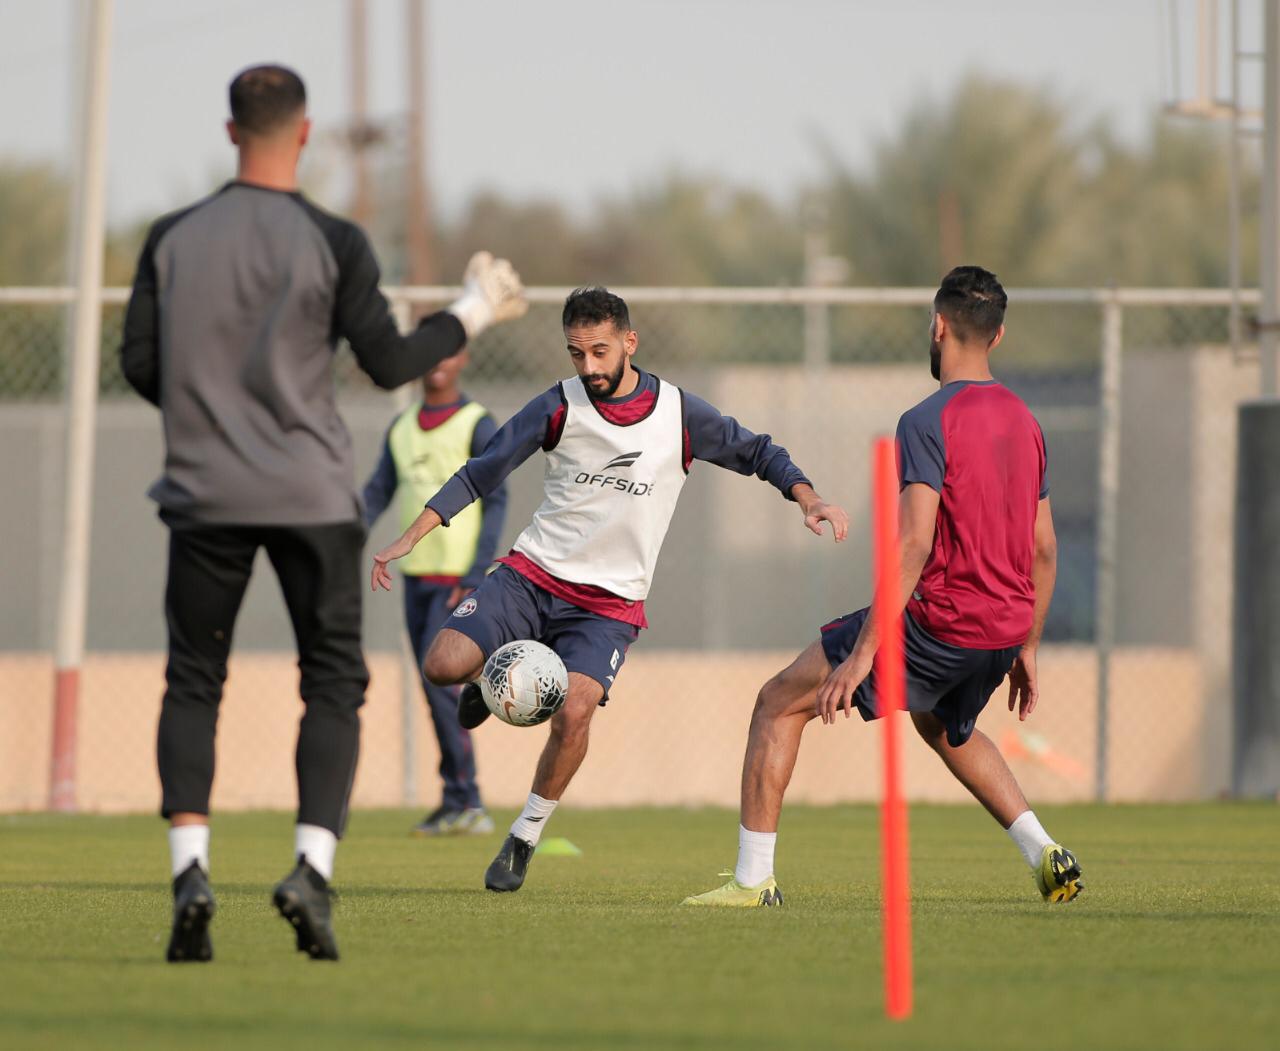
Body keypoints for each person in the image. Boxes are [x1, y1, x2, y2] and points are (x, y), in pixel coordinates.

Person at [119, 64, 526, 962]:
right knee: (332, 680)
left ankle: (192, 871)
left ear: (231, 132)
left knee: (194, 679)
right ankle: (310, 868)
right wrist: (469, 310)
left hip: (204, 493)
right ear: (303, 136)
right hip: (311, 496)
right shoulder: (333, 239)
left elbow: (142, 365)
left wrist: (209, 399)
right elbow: (389, 361)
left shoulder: (171, 236)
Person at [371, 286, 849, 894]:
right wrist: (410, 537)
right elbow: (483, 469)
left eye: (599, 351)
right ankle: (489, 683)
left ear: (629, 342)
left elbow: (757, 451)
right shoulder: (558, 406)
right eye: (576, 354)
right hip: (530, 575)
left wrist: (808, 498)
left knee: (572, 711)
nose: (589, 367)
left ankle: (524, 836)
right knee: (441, 664)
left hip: (607, 605)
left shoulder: (680, 414)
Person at [683, 266, 1084, 908]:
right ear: (999, 335)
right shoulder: (1026, 421)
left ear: (939, 326)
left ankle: (753, 882)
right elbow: (1045, 547)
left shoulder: (926, 420)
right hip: (1003, 629)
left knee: (777, 702)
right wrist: (1029, 645)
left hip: (940, 623)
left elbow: (914, 544)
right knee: (946, 725)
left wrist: (863, 657)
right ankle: (1045, 850)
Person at [361, 348, 507, 837]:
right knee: (434, 689)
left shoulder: (476, 423)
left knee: (440, 687)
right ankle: (457, 799)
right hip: (415, 578)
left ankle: (468, 801)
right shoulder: (402, 427)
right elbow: (378, 491)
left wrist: (475, 572)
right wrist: (342, 540)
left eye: (447, 350)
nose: (437, 361)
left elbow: (497, 497)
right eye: (427, 350)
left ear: (464, 358)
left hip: (456, 580)